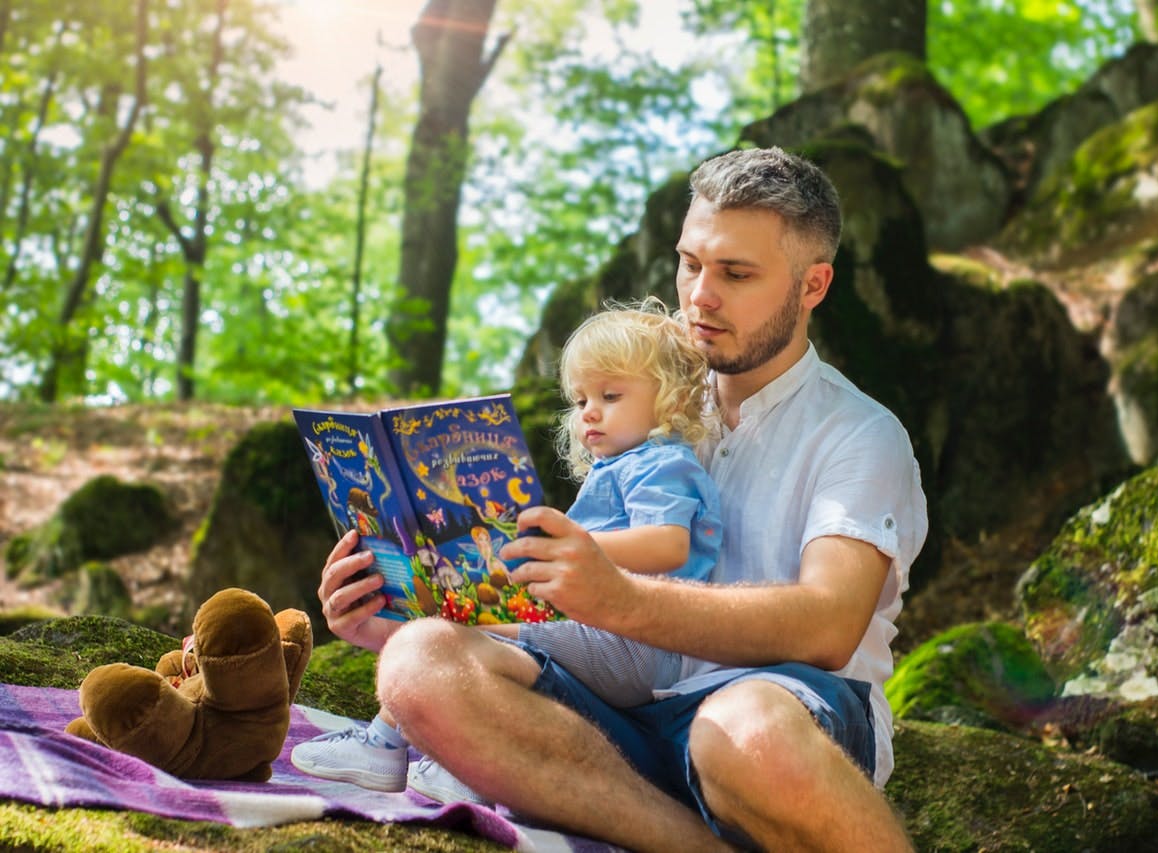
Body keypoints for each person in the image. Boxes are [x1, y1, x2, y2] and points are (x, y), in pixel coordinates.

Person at [319, 147, 926, 851]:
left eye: (735, 273)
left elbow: (828, 623)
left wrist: (616, 596)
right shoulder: (644, 399)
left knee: (744, 729)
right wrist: (396, 607)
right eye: (691, 262)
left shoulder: (859, 434)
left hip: (781, 717)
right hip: (620, 713)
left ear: (812, 284)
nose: (700, 294)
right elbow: (573, 606)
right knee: (418, 661)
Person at [292, 302, 722, 796]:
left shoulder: (663, 463)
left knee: (467, 634)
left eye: (610, 394)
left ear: (673, 398)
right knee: (453, 627)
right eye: (580, 400)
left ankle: (402, 750)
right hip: (602, 632)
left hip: (635, 644)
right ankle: (424, 753)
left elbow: (669, 544)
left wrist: (569, 546)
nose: (590, 413)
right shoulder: (624, 466)